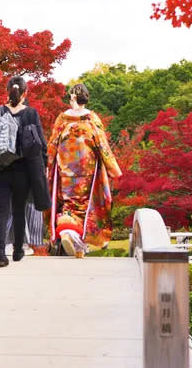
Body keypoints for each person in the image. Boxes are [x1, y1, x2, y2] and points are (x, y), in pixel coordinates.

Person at [47, 83, 122, 258]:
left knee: (67, 203)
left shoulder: (63, 119)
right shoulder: (91, 119)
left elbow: (52, 144)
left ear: (73, 97)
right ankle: (79, 243)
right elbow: (102, 145)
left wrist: (48, 164)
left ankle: (69, 233)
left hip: (65, 168)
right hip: (86, 169)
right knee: (86, 205)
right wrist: (113, 169)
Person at [0, 76, 47, 267]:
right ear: (25, 93)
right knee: (19, 209)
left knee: (0, 211)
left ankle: (0, 254)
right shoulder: (31, 114)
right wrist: (44, 166)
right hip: (23, 171)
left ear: (7, 91)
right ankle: (18, 249)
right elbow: (40, 143)